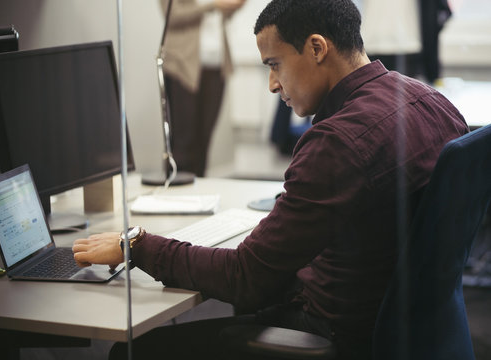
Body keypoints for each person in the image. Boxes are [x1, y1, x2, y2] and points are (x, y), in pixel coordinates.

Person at [73, 0, 468, 358]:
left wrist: (138, 245)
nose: (273, 84)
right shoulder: (432, 102)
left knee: (140, 351)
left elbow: (245, 278)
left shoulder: (336, 142)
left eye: (274, 64)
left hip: (340, 336)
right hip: (416, 327)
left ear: (316, 48)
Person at [159, 0, 246, 177]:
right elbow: (172, 16)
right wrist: (213, 5)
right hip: (183, 65)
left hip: (216, 65)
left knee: (203, 140)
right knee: (183, 142)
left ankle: (198, 194)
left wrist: (234, 6)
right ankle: (175, 192)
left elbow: (224, 16)